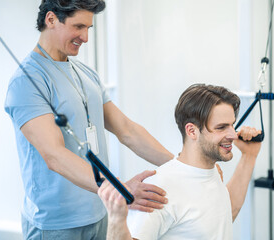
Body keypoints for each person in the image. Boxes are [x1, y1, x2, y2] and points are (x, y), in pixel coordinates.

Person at [4, 0, 173, 239]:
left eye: (88, 29)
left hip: (100, 212)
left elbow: (127, 130)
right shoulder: (27, 81)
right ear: (51, 19)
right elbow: (55, 155)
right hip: (56, 225)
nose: (84, 37)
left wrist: (181, 165)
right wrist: (120, 190)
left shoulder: (85, 72)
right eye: (78, 26)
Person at [98, 84, 262, 240]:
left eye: (232, 125)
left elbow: (224, 215)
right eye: (221, 127)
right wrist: (116, 219)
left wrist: (249, 156)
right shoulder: (158, 189)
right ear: (192, 131)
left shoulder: (212, 173)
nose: (233, 134)